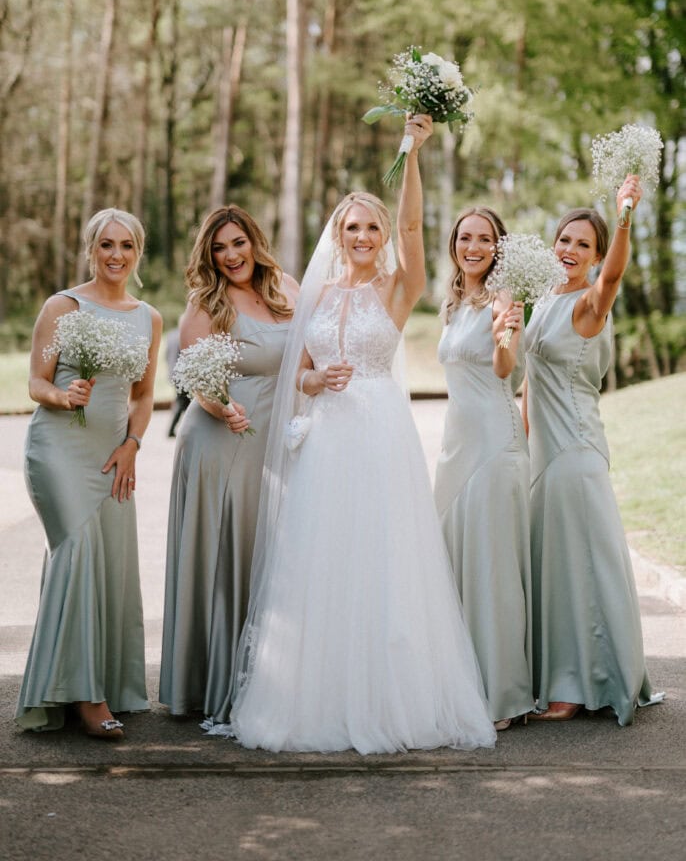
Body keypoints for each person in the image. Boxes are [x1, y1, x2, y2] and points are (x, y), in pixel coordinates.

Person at [207, 116, 496, 754]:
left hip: (377, 435)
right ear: (338, 236)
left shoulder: (398, 288)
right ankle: (316, 696)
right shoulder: (317, 294)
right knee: (320, 563)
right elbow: (300, 374)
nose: (363, 235)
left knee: (381, 559)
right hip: (326, 439)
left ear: (383, 235)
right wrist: (312, 384)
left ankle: (389, 697)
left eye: (372, 226)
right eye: (352, 226)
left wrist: (411, 154)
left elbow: (417, 229)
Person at [16, 208, 162, 738]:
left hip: (113, 454)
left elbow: (144, 396)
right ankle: (87, 698)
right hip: (59, 449)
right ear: (90, 249)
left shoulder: (148, 316)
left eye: (127, 245)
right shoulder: (64, 305)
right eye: (106, 245)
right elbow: (36, 381)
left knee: (112, 565)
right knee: (76, 553)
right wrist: (63, 394)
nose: (116, 255)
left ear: (138, 252)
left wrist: (133, 444)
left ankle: (102, 681)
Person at [524, 175, 664, 724]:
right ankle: (562, 676)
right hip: (543, 454)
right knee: (556, 567)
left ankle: (575, 687)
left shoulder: (589, 302)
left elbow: (615, 277)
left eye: (584, 244)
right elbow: (530, 382)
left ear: (597, 255)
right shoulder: (540, 299)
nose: (570, 250)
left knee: (578, 567)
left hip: (577, 452)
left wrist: (624, 211)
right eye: (564, 239)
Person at [159, 206, 298, 721]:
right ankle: (209, 685)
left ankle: (261, 678)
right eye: (219, 248)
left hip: (272, 444)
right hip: (221, 439)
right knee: (223, 556)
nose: (231, 255)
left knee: (262, 558)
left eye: (238, 242)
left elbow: (310, 355)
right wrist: (222, 406)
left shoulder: (286, 288)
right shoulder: (205, 304)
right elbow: (193, 378)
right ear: (208, 256)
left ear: (254, 241)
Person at [434, 207, 534, 731]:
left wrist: (504, 334)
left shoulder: (505, 299)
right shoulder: (450, 304)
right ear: (454, 243)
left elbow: (505, 370)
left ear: (499, 247)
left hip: (495, 445)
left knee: (491, 569)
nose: (473, 246)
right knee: (453, 566)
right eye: (465, 237)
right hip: (455, 446)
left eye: (485, 239)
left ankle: (503, 695)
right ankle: (463, 683)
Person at [165, 325, 190, 437]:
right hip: (182, 375)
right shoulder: (185, 335)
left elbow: (166, 355)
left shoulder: (170, 335)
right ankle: (171, 430)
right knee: (182, 402)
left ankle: (175, 429)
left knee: (182, 401)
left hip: (172, 372)